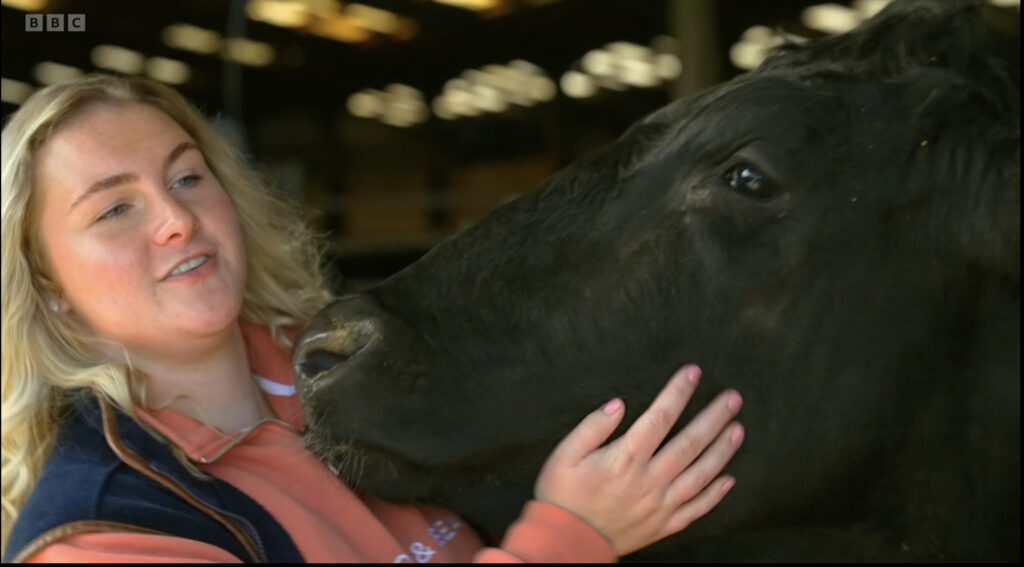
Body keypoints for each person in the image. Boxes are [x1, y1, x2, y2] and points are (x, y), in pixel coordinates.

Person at [0, 74, 745, 563]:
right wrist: (574, 536)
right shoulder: (107, 533)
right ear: (47, 283)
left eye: (188, 175)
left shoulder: (361, 359)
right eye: (115, 208)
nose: (174, 219)